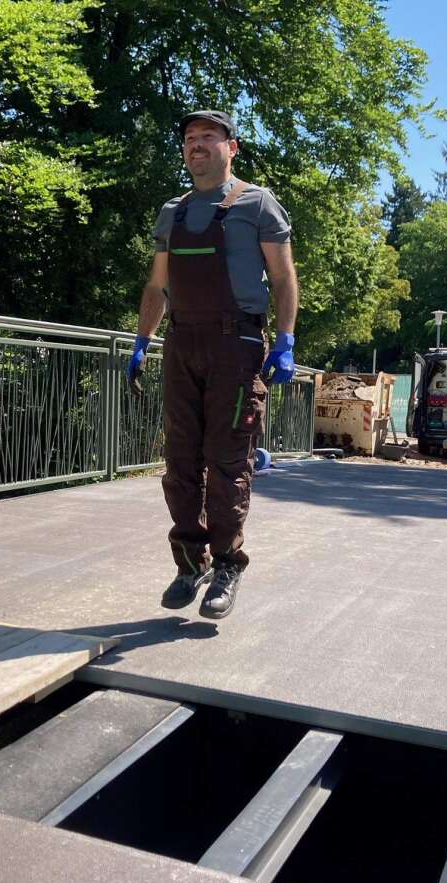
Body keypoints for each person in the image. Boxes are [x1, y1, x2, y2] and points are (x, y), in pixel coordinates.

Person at [127, 110, 298, 620]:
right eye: (189, 139)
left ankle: (227, 563)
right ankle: (189, 563)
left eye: (208, 137)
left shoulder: (256, 203)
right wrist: (142, 340)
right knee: (180, 464)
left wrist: (285, 340)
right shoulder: (172, 212)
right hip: (182, 344)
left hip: (237, 343)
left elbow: (285, 278)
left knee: (227, 465)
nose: (196, 146)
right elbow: (157, 285)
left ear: (232, 147)